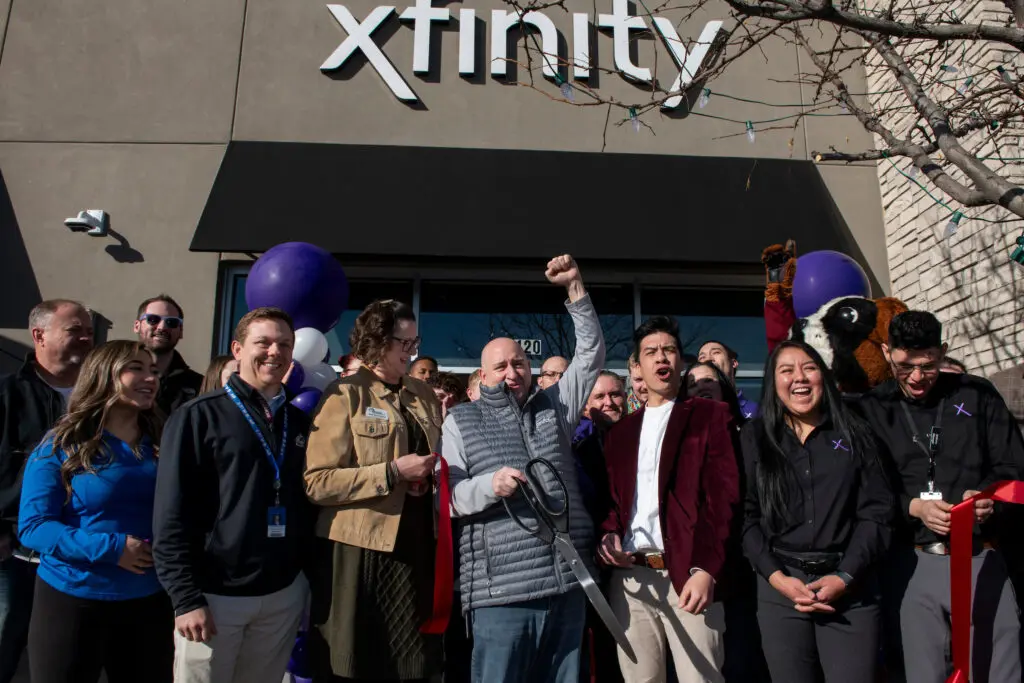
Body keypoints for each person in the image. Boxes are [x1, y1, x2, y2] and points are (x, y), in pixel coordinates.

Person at [442, 254, 605, 683]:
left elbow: (589, 355)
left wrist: (575, 291)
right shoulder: (460, 420)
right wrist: (490, 485)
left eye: (519, 363)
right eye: (501, 366)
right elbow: (452, 497)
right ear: (483, 375)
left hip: (568, 584)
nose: (512, 372)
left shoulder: (555, 406)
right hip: (502, 596)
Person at [858, 310, 1023, 683]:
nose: (916, 377)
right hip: (911, 561)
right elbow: (866, 488)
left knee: (1000, 668)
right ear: (887, 353)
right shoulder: (870, 409)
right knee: (923, 673)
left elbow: (1013, 466)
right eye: (905, 366)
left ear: (943, 351)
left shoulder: (978, 394)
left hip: (981, 554)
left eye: (928, 365)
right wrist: (913, 507)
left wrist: (988, 498)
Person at [153, 307, 314, 683]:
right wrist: (185, 597)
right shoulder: (197, 417)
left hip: (281, 594)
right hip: (213, 597)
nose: (274, 352)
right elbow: (170, 514)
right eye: (264, 342)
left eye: (284, 344)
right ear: (238, 349)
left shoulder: (302, 422)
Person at [304, 299, 443, 682]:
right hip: (360, 551)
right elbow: (317, 483)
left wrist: (426, 479)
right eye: (404, 343)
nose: (411, 352)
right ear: (378, 341)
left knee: (413, 664)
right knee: (359, 662)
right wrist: (392, 472)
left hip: (417, 546)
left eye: (415, 343)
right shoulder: (345, 394)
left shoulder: (423, 394)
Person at [18, 340, 172, 683]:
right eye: (136, 368)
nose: (150, 378)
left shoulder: (165, 441)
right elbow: (34, 527)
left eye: (154, 371)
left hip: (148, 602)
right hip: (72, 601)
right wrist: (113, 549)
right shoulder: (59, 445)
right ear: (102, 375)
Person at [598, 316, 739, 683]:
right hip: (631, 581)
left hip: (689, 576)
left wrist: (706, 568)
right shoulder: (621, 433)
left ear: (680, 361)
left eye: (669, 350)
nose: (661, 357)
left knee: (700, 678)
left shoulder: (710, 416)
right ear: (638, 367)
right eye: (651, 352)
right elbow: (613, 505)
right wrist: (608, 537)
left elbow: (723, 498)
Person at [741, 340, 892, 683]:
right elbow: (746, 518)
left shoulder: (856, 433)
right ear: (772, 382)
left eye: (809, 368)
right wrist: (778, 579)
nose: (800, 378)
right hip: (781, 588)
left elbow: (877, 514)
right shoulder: (755, 437)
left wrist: (846, 576)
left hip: (850, 588)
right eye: (786, 370)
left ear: (823, 375)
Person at [0, 299, 93, 683]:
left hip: (76, 555)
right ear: (39, 335)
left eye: (90, 331)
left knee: (65, 659)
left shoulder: (98, 402)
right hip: (12, 554)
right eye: (75, 330)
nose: (87, 338)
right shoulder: (8, 394)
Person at [683, 360, 769, 683]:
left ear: (725, 388)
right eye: (692, 383)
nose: (701, 386)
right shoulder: (679, 441)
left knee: (747, 660)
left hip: (748, 565)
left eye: (709, 380)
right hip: (701, 570)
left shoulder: (749, 434)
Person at [572, 370, 626, 683]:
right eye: (599, 397)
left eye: (615, 394)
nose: (608, 402)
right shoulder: (578, 448)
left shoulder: (643, 437)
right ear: (585, 406)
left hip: (635, 562)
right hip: (592, 561)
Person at [134, 295, 203, 415]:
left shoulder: (200, 387)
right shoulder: (114, 378)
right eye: (153, 319)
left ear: (181, 331)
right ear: (137, 326)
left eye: (172, 322)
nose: (162, 327)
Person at [698, 340, 758, 419]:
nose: (708, 359)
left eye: (716, 352)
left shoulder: (757, 412)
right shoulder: (690, 414)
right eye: (702, 357)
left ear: (733, 363)